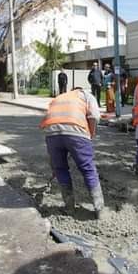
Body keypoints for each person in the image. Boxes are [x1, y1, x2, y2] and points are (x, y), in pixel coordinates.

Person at [40, 87, 104, 218]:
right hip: (76, 130)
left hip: (51, 133)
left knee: (60, 169)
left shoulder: (60, 97)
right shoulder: (87, 95)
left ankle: (69, 207)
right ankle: (99, 209)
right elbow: (94, 116)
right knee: (88, 169)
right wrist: (90, 134)